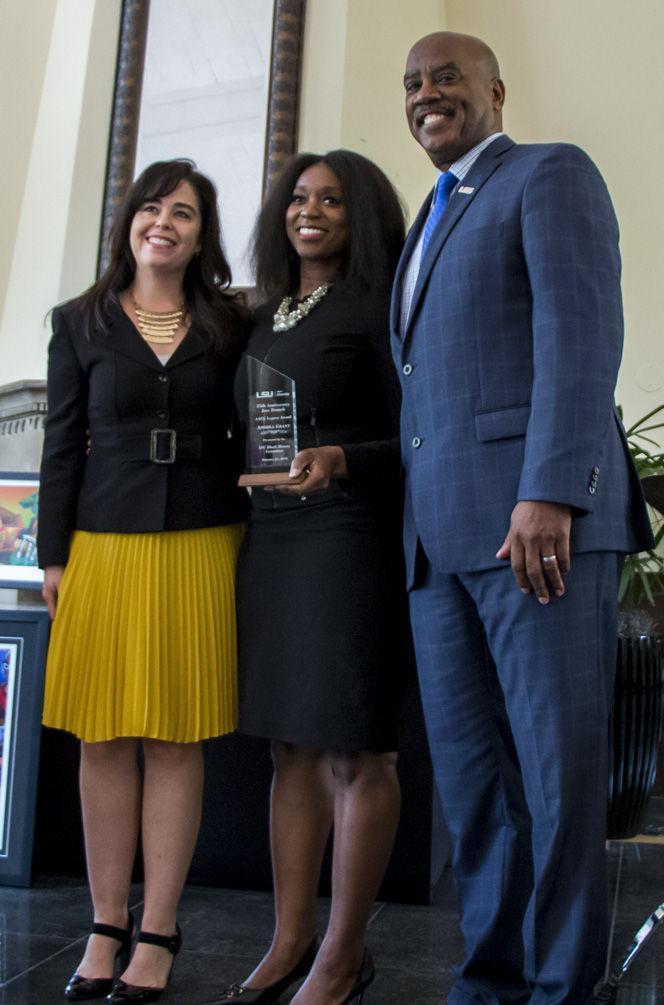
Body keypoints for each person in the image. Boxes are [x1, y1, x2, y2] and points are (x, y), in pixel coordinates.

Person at [393, 31, 654, 1005]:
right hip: (437, 547)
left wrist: (547, 489)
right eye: (413, 83)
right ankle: (490, 979)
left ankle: (560, 987)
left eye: (446, 77)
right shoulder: (427, 216)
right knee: (475, 791)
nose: (427, 94)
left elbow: (581, 334)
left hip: (533, 532)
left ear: (495, 90)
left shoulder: (548, 175)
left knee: (555, 779)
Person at [38, 159, 248, 1003]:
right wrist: (54, 556)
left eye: (185, 213)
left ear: (202, 235)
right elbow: (59, 444)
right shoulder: (79, 321)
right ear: (129, 220)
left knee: (176, 735)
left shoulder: (231, 323)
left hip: (201, 541)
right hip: (101, 543)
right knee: (102, 735)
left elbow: (253, 428)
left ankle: (158, 928)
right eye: (153, 207)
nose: (165, 222)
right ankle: (103, 923)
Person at [206, 150, 407, 1005]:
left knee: (356, 747)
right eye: (297, 197)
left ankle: (342, 952)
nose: (309, 210)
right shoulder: (263, 317)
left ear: (360, 214)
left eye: (330, 198)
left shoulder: (383, 305)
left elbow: (420, 438)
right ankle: (290, 940)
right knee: (290, 745)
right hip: (274, 540)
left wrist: (343, 459)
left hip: (349, 536)